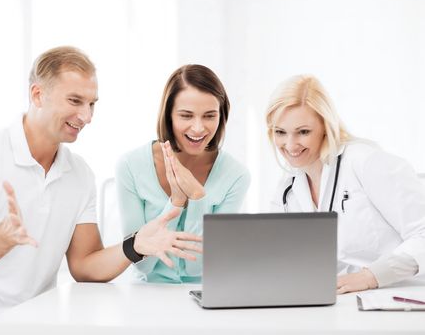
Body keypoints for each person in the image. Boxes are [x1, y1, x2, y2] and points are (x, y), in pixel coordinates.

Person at [0, 46, 202, 335]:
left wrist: (135, 246)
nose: (86, 116)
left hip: (29, 318)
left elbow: (84, 265)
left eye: (92, 104)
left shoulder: (79, 174)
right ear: (37, 95)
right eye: (75, 101)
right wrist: (1, 237)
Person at [266, 74, 425, 294]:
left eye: (303, 132)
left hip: (401, 296)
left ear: (325, 126)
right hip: (340, 302)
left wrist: (372, 276)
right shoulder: (287, 190)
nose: (290, 145)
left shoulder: (365, 162)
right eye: (280, 132)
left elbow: (423, 234)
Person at [116, 64, 250, 283]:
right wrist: (177, 202)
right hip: (146, 295)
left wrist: (198, 197)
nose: (198, 128)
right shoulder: (130, 166)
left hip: (205, 294)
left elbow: (198, 268)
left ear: (222, 115)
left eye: (209, 116)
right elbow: (142, 264)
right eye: (186, 115)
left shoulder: (236, 175)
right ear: (169, 115)